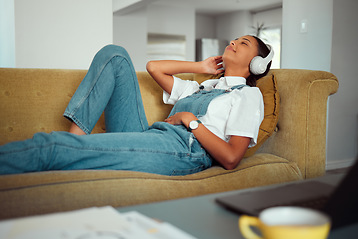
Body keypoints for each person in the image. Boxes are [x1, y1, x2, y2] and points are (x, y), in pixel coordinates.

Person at [0, 35, 272, 176]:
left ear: (256, 64)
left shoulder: (247, 96)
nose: (234, 42)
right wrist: (199, 67)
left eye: (244, 42)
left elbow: (231, 158)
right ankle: (76, 143)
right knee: (115, 55)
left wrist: (189, 120)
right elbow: (154, 68)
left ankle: (69, 150)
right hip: (153, 136)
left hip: (182, 151)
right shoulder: (203, 86)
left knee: (51, 147)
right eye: (234, 39)